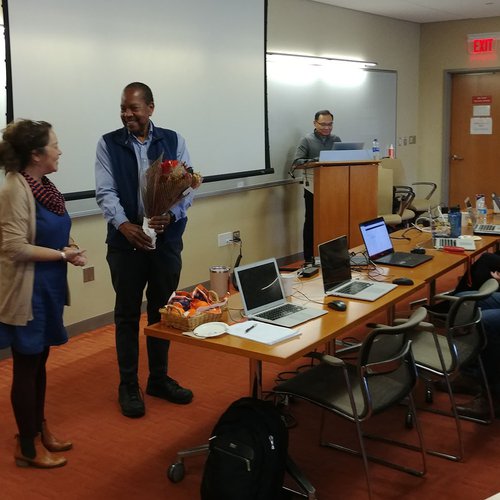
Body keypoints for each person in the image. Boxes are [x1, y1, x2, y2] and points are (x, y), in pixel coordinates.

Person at [95, 82, 194, 419]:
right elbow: (105, 191)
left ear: (150, 108)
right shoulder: (109, 143)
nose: (127, 114)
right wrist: (125, 225)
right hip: (126, 244)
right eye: (123, 108)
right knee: (125, 314)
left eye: (133, 108)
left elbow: (187, 187)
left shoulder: (174, 140)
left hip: (166, 242)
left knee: (162, 312)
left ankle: (158, 379)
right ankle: (128, 384)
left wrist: (170, 214)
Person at [0, 119, 87, 468]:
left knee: (40, 363)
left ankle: (38, 430)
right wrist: (63, 255)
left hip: (48, 286)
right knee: (26, 365)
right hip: (27, 291)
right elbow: (14, 247)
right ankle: (28, 448)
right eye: (55, 144)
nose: (60, 150)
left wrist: (69, 246)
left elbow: (52, 231)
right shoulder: (14, 188)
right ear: (36, 154)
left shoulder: (44, 186)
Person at [291, 110, 341, 265]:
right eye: (323, 124)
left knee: (332, 220)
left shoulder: (336, 139)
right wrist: (317, 160)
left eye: (330, 124)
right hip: (313, 187)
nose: (327, 128)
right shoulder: (307, 140)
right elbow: (297, 162)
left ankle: (332, 255)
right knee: (312, 221)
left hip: (334, 187)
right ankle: (309, 257)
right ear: (315, 123)